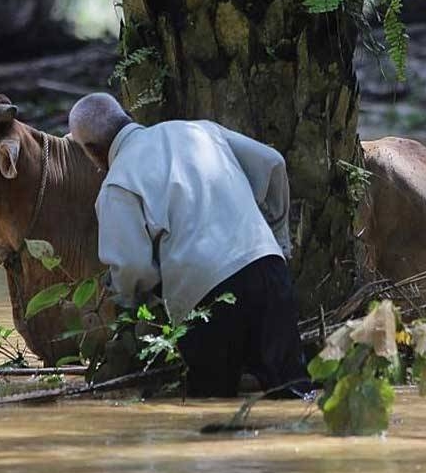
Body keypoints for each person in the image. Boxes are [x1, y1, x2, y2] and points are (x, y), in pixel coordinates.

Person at [68, 92, 305, 397]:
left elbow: (132, 268)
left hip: (207, 299)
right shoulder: (201, 130)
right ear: (125, 115)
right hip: (267, 266)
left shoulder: (118, 182)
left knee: (211, 403)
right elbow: (273, 162)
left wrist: (136, 311)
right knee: (294, 393)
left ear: (93, 150)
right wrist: (278, 239)